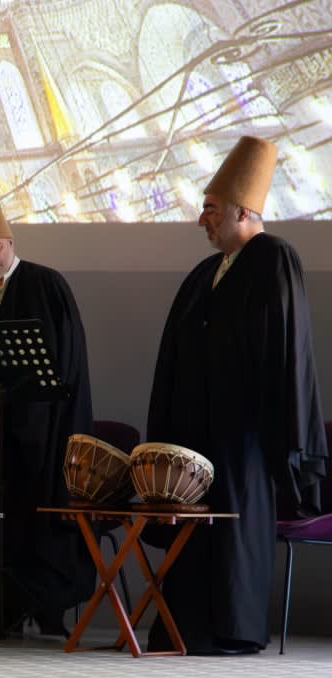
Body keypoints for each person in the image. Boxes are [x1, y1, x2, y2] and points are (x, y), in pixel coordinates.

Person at [145, 135, 326, 654]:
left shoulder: (273, 256)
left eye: (211, 209)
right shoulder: (207, 272)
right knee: (196, 531)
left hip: (241, 431)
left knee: (232, 527)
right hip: (196, 429)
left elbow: (281, 346)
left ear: (244, 211)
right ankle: (184, 627)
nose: (202, 220)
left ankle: (231, 629)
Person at [0, 176, 95, 637]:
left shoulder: (47, 285)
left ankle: (46, 608)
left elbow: (67, 366)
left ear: (10, 242)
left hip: (41, 436)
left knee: (38, 520)